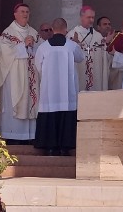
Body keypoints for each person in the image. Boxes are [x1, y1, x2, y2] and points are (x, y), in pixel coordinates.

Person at [34, 18, 84, 156]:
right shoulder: (71, 46)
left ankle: (49, 147)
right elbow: (80, 58)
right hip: (67, 92)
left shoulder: (43, 47)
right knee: (66, 116)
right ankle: (65, 147)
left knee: (49, 116)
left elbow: (38, 66)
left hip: (49, 91)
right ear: (65, 29)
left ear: (53, 29)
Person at [0, 3, 42, 143]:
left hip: (31, 75)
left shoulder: (34, 33)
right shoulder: (8, 33)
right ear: (15, 14)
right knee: (15, 101)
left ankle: (30, 136)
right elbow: (4, 52)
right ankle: (12, 135)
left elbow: (41, 50)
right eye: (22, 11)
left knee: (30, 101)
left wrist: (33, 46)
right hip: (14, 76)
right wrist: (23, 45)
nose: (25, 14)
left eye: (27, 11)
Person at [67, 6, 108, 91]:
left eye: (93, 17)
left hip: (95, 77)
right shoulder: (71, 35)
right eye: (89, 17)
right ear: (81, 17)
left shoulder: (98, 36)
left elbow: (105, 59)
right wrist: (75, 45)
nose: (91, 20)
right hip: (80, 76)